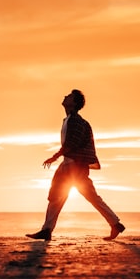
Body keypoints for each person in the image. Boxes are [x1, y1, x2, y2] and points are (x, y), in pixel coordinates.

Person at [26, 89, 126, 241]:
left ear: (74, 103)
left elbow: (71, 144)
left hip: (75, 166)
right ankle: (115, 224)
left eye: (70, 96)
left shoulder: (76, 121)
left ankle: (47, 230)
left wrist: (55, 157)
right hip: (69, 164)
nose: (65, 96)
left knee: (65, 196)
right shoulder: (68, 120)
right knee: (61, 196)